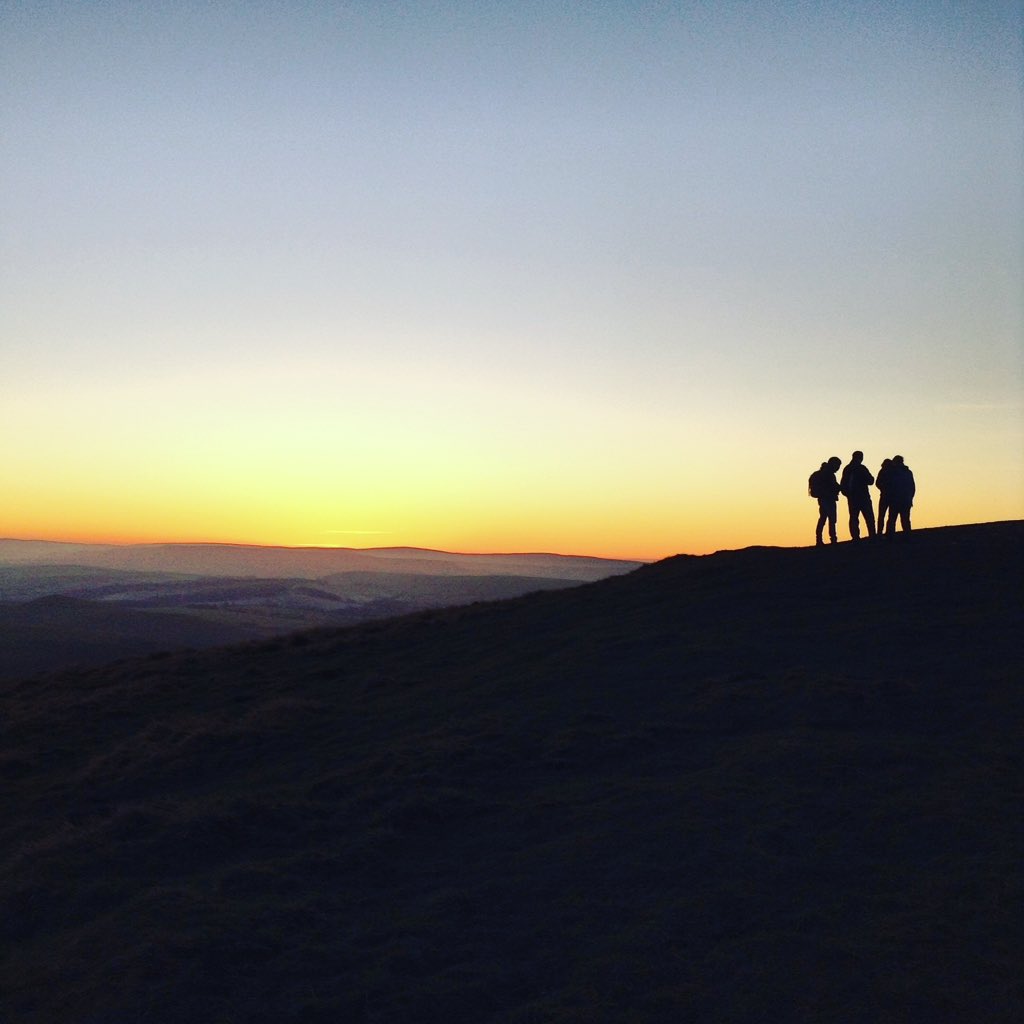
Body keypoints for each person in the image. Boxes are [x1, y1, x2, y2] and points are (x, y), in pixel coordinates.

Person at [840, 450, 876, 540]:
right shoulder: (861, 468)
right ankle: (872, 535)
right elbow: (871, 481)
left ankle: (855, 537)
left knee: (854, 518)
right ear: (861, 458)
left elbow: (843, 484)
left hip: (852, 498)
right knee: (869, 517)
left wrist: (848, 494)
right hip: (863, 497)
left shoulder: (847, 468)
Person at [809, 457, 842, 546]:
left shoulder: (823, 473)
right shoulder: (829, 474)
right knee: (831, 519)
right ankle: (832, 539)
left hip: (823, 499)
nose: (838, 468)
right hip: (828, 499)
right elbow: (833, 486)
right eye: (838, 466)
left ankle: (820, 539)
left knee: (823, 518)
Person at [885, 455, 915, 535]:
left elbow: (890, 485)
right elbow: (912, 487)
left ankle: (890, 537)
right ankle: (907, 536)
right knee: (905, 520)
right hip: (906, 500)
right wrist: (910, 498)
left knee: (892, 520)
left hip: (895, 500)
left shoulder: (893, 473)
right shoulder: (908, 472)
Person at [875, 457, 893, 535]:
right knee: (890, 515)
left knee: (883, 515)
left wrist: (882, 488)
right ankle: (887, 532)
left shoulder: (882, 471)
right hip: (890, 496)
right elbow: (878, 483)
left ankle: (880, 532)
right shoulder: (892, 472)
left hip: (885, 496)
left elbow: (877, 483)